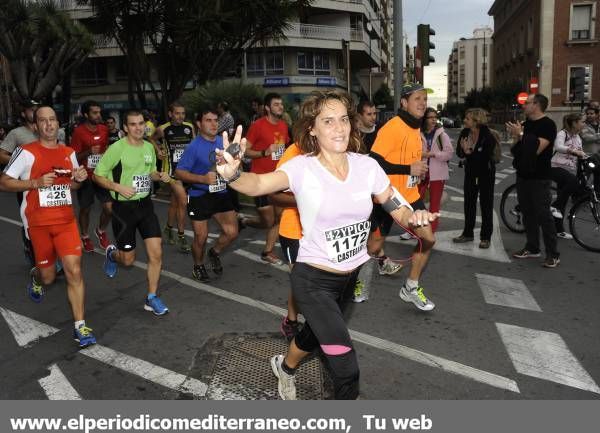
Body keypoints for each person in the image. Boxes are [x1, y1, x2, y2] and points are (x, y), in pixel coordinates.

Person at [216, 90, 438, 400]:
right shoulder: (302, 168)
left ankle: (285, 367)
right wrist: (233, 174)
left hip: (350, 277)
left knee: (314, 335)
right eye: (328, 121)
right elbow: (259, 184)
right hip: (313, 280)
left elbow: (395, 205)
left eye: (344, 119)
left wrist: (414, 217)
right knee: (346, 369)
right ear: (312, 129)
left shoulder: (367, 166)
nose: (339, 128)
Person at [0, 106, 96, 348]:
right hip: (38, 224)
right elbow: (4, 182)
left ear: (58, 123)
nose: (48, 124)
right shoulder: (25, 152)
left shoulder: (68, 152)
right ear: (36, 126)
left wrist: (78, 179)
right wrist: (35, 182)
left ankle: (80, 326)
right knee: (49, 277)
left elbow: (72, 186)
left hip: (65, 222)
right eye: (42, 121)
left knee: (74, 270)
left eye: (52, 120)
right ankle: (36, 275)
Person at [93, 110, 172, 315]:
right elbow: (97, 175)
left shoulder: (148, 147)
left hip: (145, 206)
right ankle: (112, 254)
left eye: (141, 124)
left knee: (156, 253)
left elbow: (150, 172)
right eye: (133, 124)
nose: (138, 128)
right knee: (128, 260)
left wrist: (159, 175)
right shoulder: (116, 149)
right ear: (126, 128)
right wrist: (118, 187)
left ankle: (151, 297)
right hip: (123, 210)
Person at [369, 83, 436, 311]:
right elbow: (374, 162)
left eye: (424, 99)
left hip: (410, 195)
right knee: (373, 246)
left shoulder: (416, 129)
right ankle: (351, 281)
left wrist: (416, 170)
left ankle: (410, 287)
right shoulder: (392, 127)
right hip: (388, 196)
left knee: (428, 239)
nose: (422, 103)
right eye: (417, 98)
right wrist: (408, 169)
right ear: (404, 103)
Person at [175, 108, 239, 281]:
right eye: (208, 120)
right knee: (201, 237)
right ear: (199, 124)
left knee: (232, 232)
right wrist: (202, 179)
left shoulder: (222, 141)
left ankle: (214, 252)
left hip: (221, 193)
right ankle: (198, 265)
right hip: (199, 196)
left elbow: (234, 165)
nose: (213, 124)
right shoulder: (193, 147)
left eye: (215, 120)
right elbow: (179, 173)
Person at [507, 94, 560, 268]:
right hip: (523, 175)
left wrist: (521, 134)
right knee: (528, 214)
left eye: (527, 103)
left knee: (544, 216)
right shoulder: (526, 124)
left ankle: (553, 254)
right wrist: (516, 138)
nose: (523, 106)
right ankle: (532, 247)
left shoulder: (548, 125)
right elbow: (516, 151)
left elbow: (536, 149)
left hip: (539, 178)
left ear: (536, 105)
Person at [241, 92, 290, 265]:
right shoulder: (258, 126)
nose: (280, 107)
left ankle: (267, 251)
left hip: (279, 179)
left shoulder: (284, 126)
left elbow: (285, 149)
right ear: (268, 108)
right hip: (261, 181)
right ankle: (245, 221)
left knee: (280, 217)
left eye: (281, 104)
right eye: (276, 104)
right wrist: (264, 152)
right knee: (268, 220)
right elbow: (245, 150)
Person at [268, 142, 303, 338]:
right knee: (302, 281)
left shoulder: (334, 150)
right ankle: (291, 320)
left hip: (322, 229)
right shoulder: (294, 152)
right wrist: (303, 199)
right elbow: (273, 194)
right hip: (295, 230)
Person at [70, 100, 112, 252]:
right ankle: (85, 236)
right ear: (86, 114)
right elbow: (73, 156)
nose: (98, 115)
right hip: (85, 175)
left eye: (99, 112)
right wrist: (88, 152)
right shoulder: (79, 132)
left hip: (100, 174)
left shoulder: (104, 129)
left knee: (109, 208)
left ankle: (100, 231)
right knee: (86, 208)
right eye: (94, 112)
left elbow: (106, 148)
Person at [0, 101, 39, 266]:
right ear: (24, 113)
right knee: (29, 218)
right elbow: (2, 155)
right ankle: (32, 252)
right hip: (25, 183)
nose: (35, 112)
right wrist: (23, 163)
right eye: (32, 109)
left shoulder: (46, 131)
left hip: (47, 183)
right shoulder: (16, 134)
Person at [453, 108, 497, 248]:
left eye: (467, 118)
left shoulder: (487, 135)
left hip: (486, 174)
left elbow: (484, 158)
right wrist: (465, 151)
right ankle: (467, 234)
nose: (464, 120)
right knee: (469, 204)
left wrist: (469, 152)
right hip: (471, 173)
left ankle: (485, 237)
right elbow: (459, 153)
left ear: (476, 121)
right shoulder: (465, 132)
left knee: (486, 205)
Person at [155, 102, 194, 253]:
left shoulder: (189, 127)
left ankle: (168, 228)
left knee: (175, 203)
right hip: (171, 172)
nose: (180, 116)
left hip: (186, 171)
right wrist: (158, 150)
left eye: (183, 113)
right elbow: (151, 138)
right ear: (170, 114)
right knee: (183, 202)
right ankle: (181, 236)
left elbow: (194, 145)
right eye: (177, 113)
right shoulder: (163, 129)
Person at [550, 113, 586, 239]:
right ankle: (554, 206)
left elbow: (580, 151)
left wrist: (586, 156)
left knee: (563, 199)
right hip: (556, 167)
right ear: (575, 123)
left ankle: (558, 230)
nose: (583, 124)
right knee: (574, 183)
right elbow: (558, 146)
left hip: (569, 170)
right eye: (582, 122)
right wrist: (571, 151)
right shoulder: (562, 133)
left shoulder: (577, 137)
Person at [419, 107, 453, 233]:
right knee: (416, 203)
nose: (434, 120)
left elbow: (449, 154)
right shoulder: (418, 133)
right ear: (424, 119)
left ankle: (431, 231)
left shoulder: (441, 135)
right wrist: (421, 154)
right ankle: (415, 228)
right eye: (430, 117)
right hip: (421, 173)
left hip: (437, 175)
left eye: (435, 117)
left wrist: (434, 155)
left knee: (434, 205)